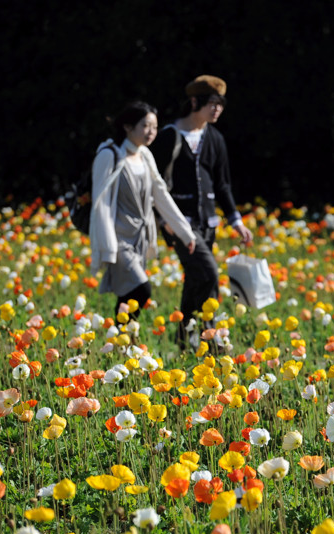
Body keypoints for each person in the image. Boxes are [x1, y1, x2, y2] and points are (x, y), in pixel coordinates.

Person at [150, 74, 253, 350]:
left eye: (221, 104)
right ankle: (214, 336)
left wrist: (236, 221)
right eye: (212, 103)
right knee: (209, 273)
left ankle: (185, 337)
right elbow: (153, 184)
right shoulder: (169, 136)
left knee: (196, 278)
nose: (217, 109)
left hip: (209, 222)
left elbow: (223, 184)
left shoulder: (215, 137)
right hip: (179, 224)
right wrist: (164, 220)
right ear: (195, 101)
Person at [89, 101, 197, 320]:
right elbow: (101, 203)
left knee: (127, 295)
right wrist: (108, 246)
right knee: (141, 289)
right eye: (146, 126)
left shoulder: (145, 155)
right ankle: (122, 336)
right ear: (128, 127)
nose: (151, 132)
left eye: (155, 127)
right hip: (118, 238)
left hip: (140, 237)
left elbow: (161, 195)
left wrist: (185, 232)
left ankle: (122, 342)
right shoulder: (109, 155)